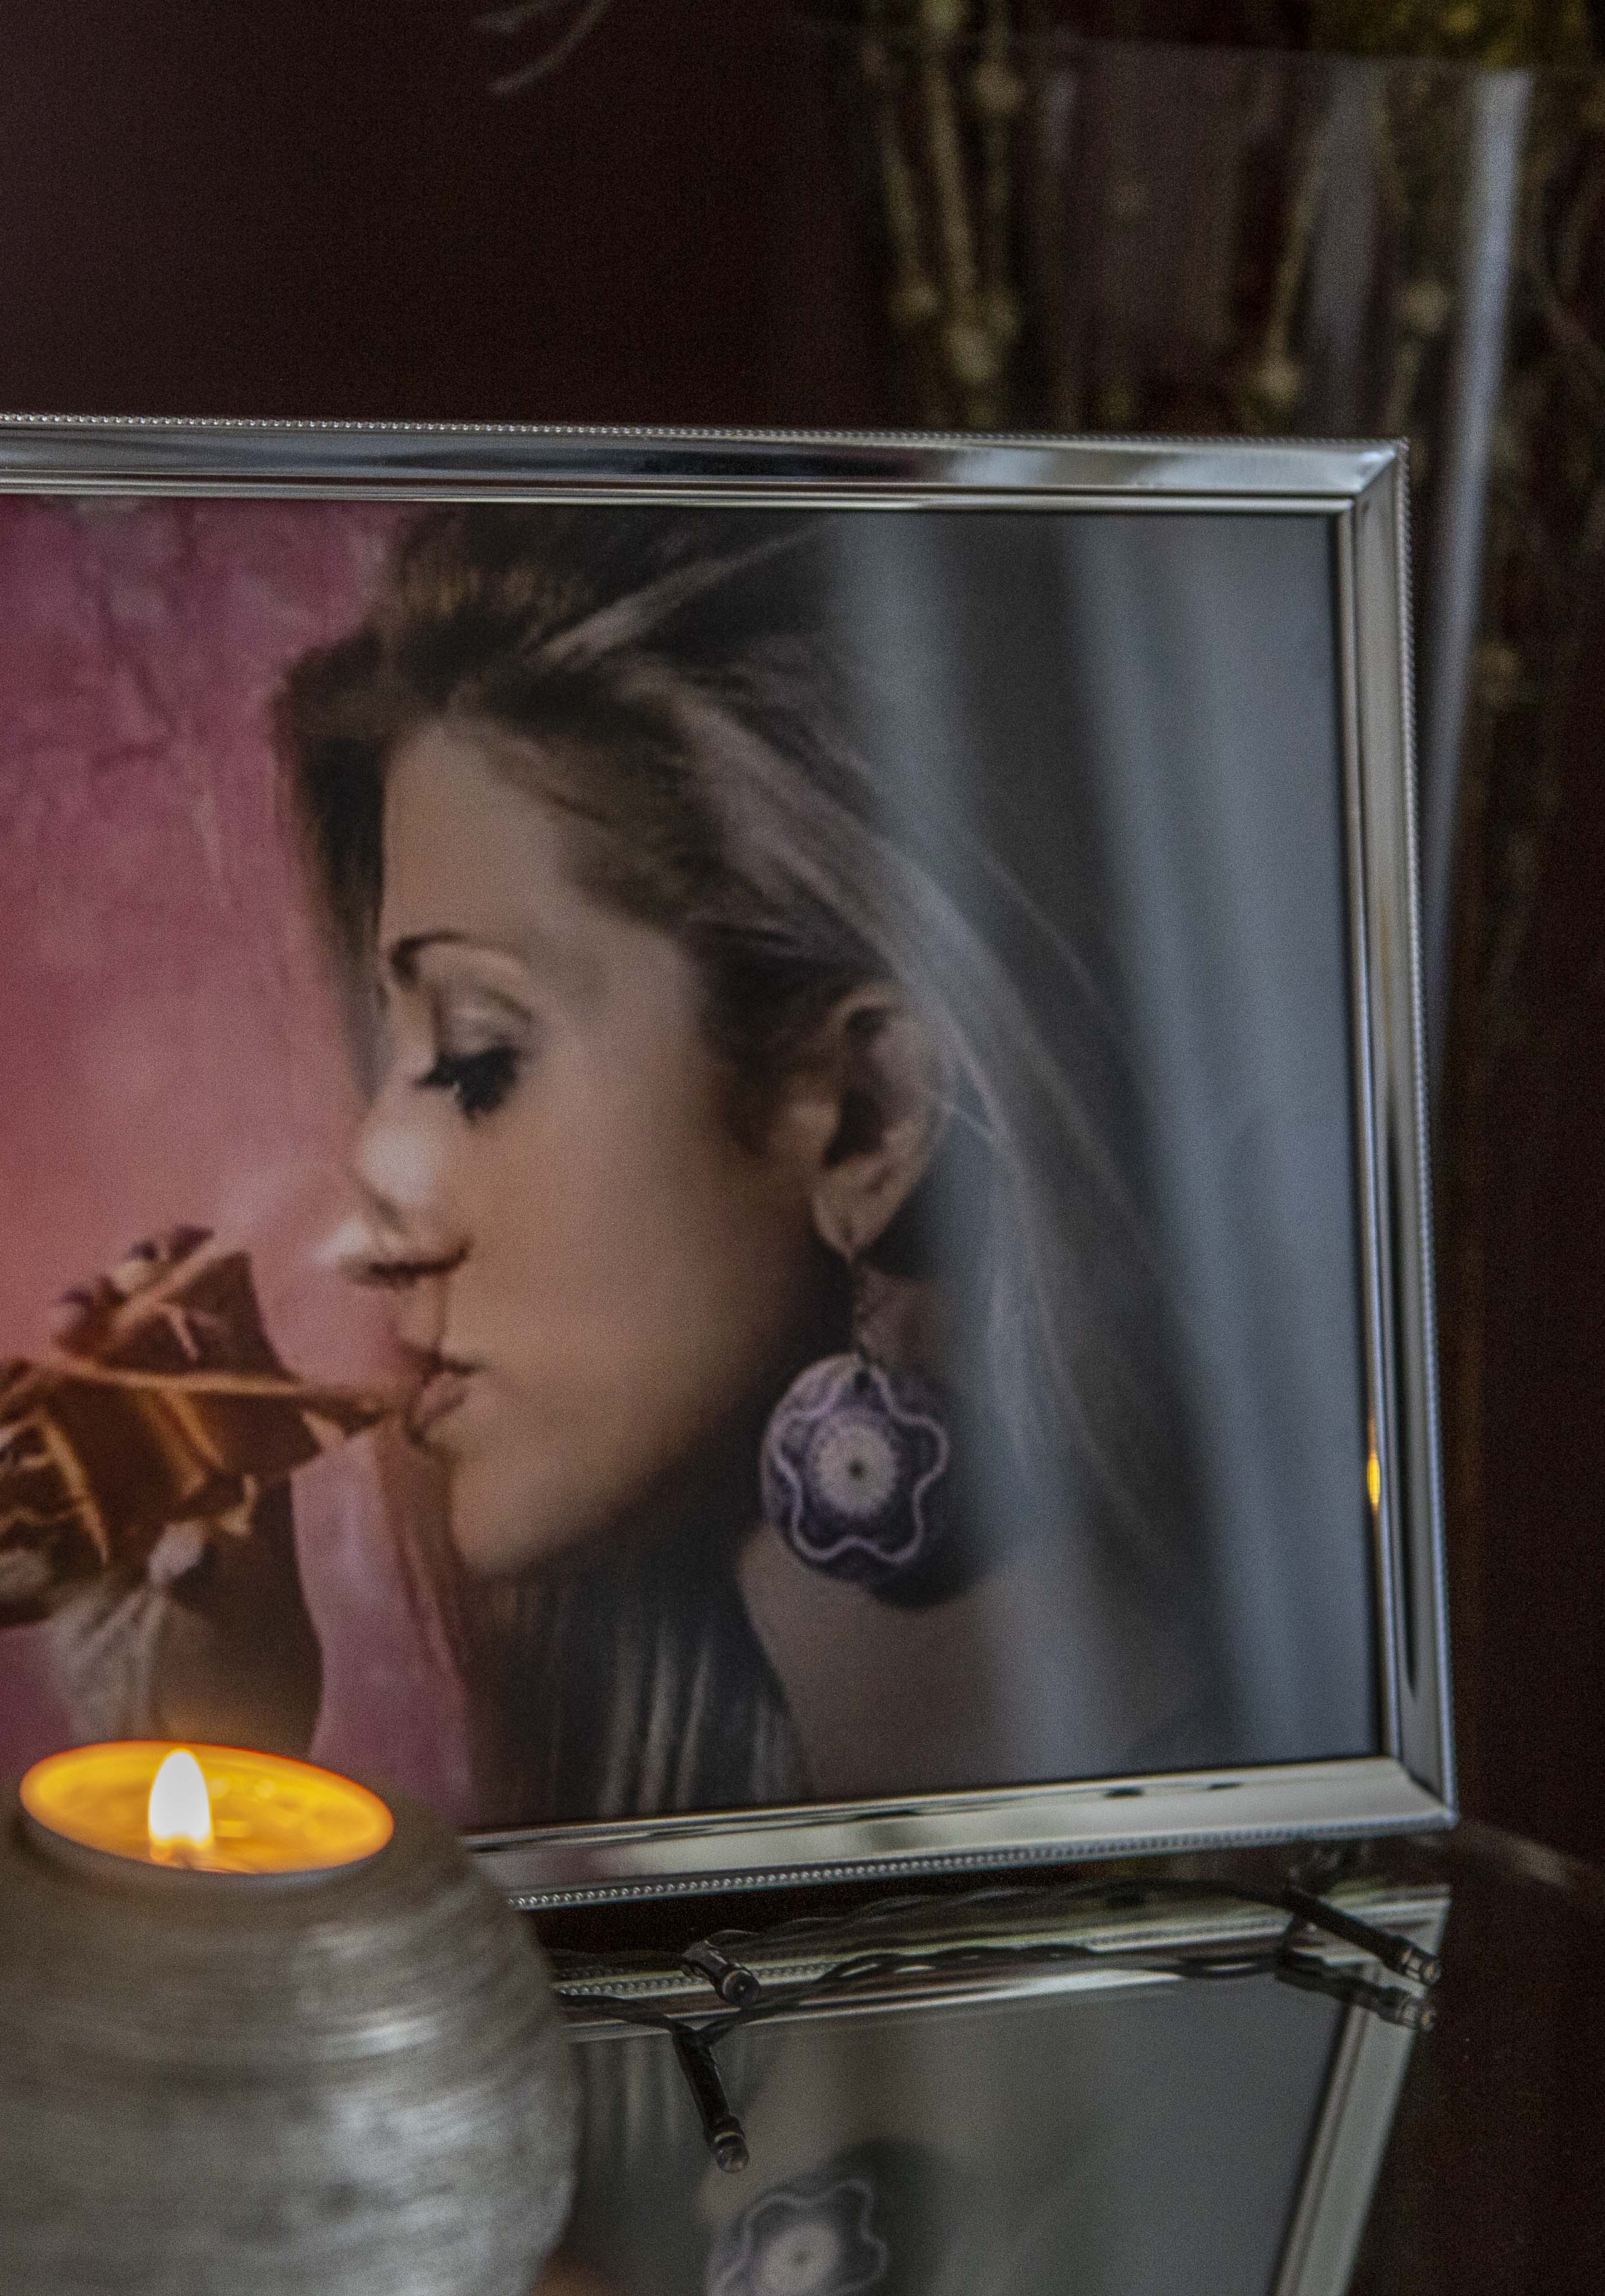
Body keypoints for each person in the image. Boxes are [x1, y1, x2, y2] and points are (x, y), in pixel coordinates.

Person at [279, 505, 1229, 1826]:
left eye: (482, 1055)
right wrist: (205, 1748)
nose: (376, 1171)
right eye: (393, 1059)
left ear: (867, 1118)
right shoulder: (683, 1821)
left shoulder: (1228, 1867)